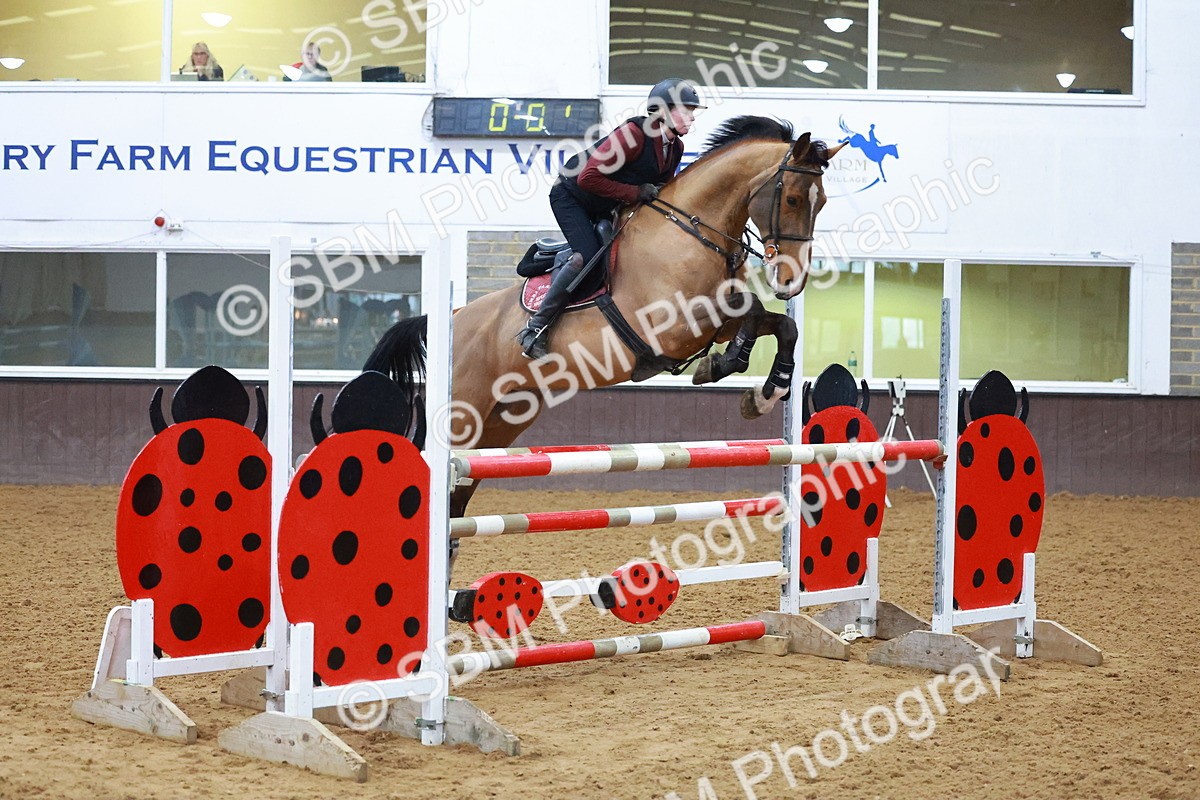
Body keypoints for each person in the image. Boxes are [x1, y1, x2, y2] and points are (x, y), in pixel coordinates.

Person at [515, 78, 705, 360]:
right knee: (587, 255)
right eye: (686, 110)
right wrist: (636, 191)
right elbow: (588, 177)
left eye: (693, 110)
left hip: (607, 203)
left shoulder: (674, 148)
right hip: (572, 196)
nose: (691, 117)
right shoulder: (634, 135)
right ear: (663, 112)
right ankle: (535, 329)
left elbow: (660, 194)